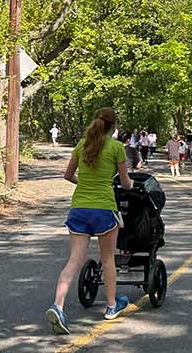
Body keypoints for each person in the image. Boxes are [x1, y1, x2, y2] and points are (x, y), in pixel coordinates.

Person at [45, 106, 132, 334]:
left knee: (74, 260)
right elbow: (125, 183)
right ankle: (111, 305)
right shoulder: (116, 148)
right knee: (108, 259)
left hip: (79, 208)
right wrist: (127, 185)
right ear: (114, 126)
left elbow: (68, 175)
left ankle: (58, 305)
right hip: (104, 209)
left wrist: (84, 184)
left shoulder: (82, 145)